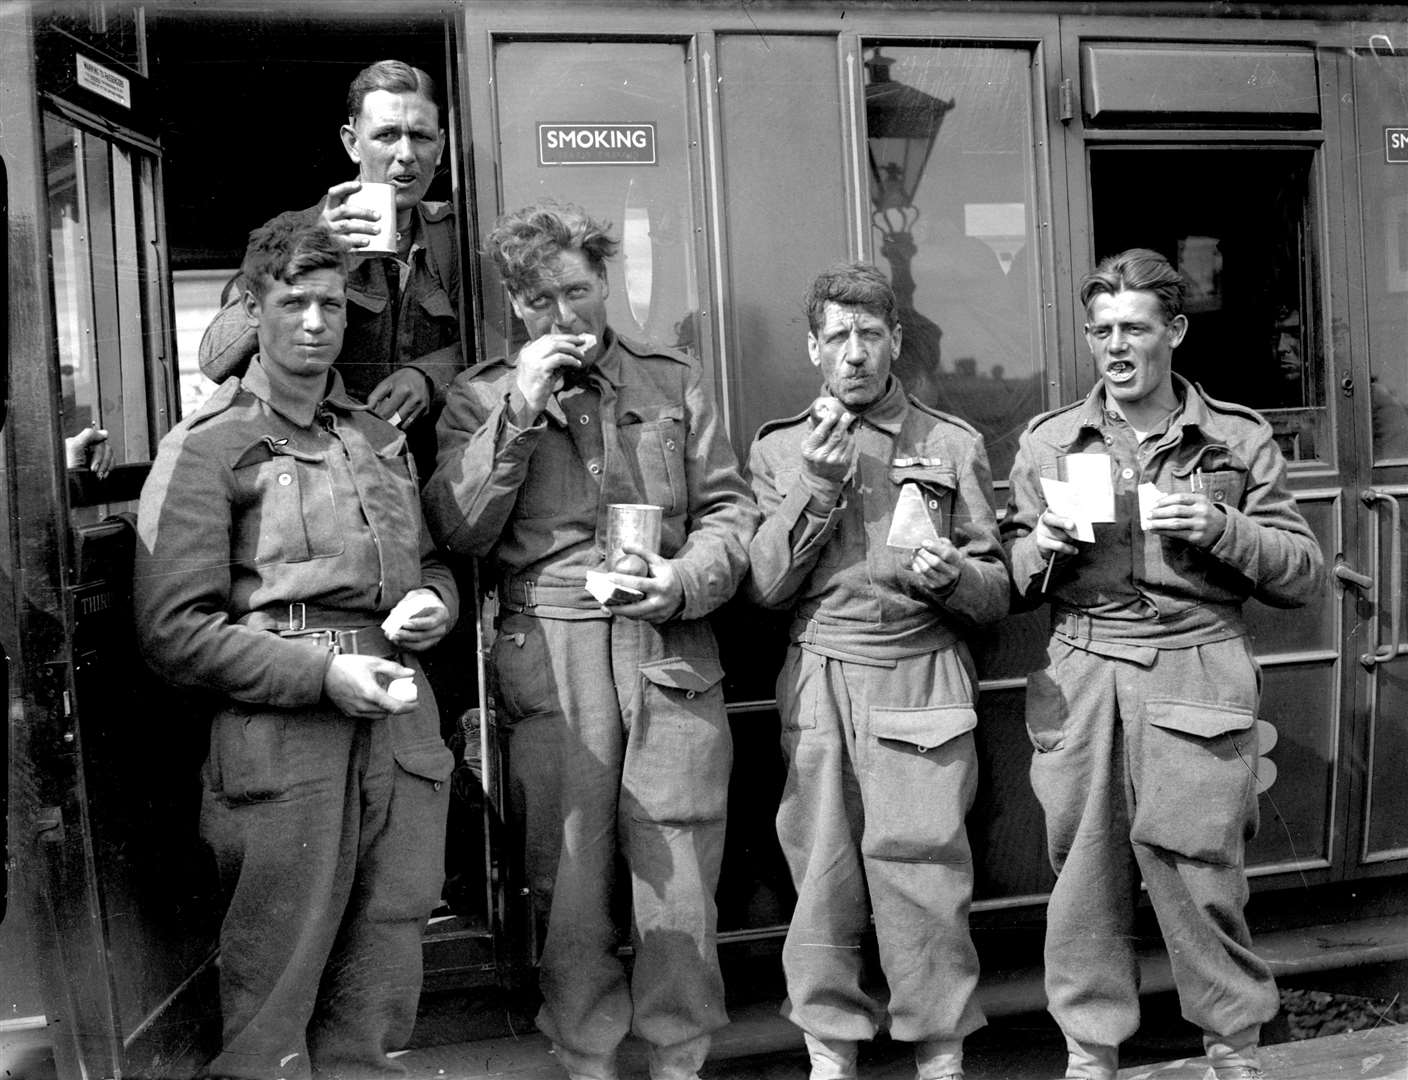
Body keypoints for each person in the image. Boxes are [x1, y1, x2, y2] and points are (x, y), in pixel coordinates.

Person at [422, 200, 760, 1080]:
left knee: (677, 872)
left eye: (576, 291)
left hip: (666, 643)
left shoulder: (671, 377)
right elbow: (458, 532)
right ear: (511, 304)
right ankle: (586, 1059)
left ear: (604, 281)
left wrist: (684, 581)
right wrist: (520, 414)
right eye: (539, 302)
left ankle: (681, 1058)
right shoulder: (480, 396)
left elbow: (730, 510)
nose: (564, 316)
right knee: (568, 881)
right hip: (552, 653)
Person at [135, 215, 458, 1080]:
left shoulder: (377, 440)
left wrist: (434, 600)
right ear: (253, 306)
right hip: (287, 739)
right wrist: (321, 675)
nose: (315, 323)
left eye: (331, 305)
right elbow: (175, 632)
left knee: (383, 978)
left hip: (397, 727)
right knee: (274, 989)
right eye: (293, 303)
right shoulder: (206, 449)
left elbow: (425, 562)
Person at [1001, 248, 1324, 1080]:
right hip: (1085, 669)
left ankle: (1233, 1046)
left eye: (1135, 328)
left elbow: (1303, 573)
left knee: (1201, 874)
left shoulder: (1236, 438)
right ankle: (1089, 1051)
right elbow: (1012, 574)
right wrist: (1036, 546)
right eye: (1102, 329)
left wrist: (1220, 526)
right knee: (1082, 877)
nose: (1116, 346)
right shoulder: (1050, 442)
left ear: (1173, 332)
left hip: (1196, 667)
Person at [745, 263, 1009, 1080]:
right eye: (837, 338)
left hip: (921, 674)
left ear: (894, 340)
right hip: (823, 674)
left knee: (925, 873)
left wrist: (952, 578)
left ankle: (938, 1047)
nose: (854, 354)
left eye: (869, 336)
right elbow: (765, 583)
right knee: (820, 873)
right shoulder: (782, 447)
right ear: (812, 348)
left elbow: (997, 592)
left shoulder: (950, 443)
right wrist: (817, 486)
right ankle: (831, 1047)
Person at [199, 59, 464, 474]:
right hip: (324, 473)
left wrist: (429, 375)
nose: (406, 155)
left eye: (421, 136)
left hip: (435, 476)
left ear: (442, 144)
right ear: (352, 143)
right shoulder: (295, 231)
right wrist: (311, 249)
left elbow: (501, 342)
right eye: (387, 135)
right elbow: (215, 358)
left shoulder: (458, 237)